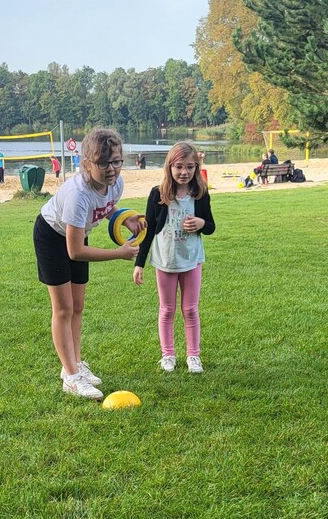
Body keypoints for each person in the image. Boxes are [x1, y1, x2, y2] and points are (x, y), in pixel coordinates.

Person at [33, 127, 145, 400]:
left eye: (116, 161)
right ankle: (70, 377)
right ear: (86, 164)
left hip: (77, 237)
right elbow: (75, 251)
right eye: (102, 162)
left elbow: (104, 207)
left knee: (78, 306)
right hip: (53, 236)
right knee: (63, 308)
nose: (111, 169)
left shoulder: (117, 184)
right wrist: (119, 253)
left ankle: (75, 364)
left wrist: (123, 217)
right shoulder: (77, 194)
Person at [133, 140, 215, 374]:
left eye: (190, 167)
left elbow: (210, 226)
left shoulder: (200, 194)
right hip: (165, 261)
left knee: (190, 309)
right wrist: (139, 264)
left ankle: (193, 355)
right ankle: (168, 355)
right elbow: (147, 231)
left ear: (196, 168)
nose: (184, 172)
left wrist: (201, 224)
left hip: (191, 260)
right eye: (179, 166)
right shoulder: (158, 194)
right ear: (169, 167)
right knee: (167, 310)